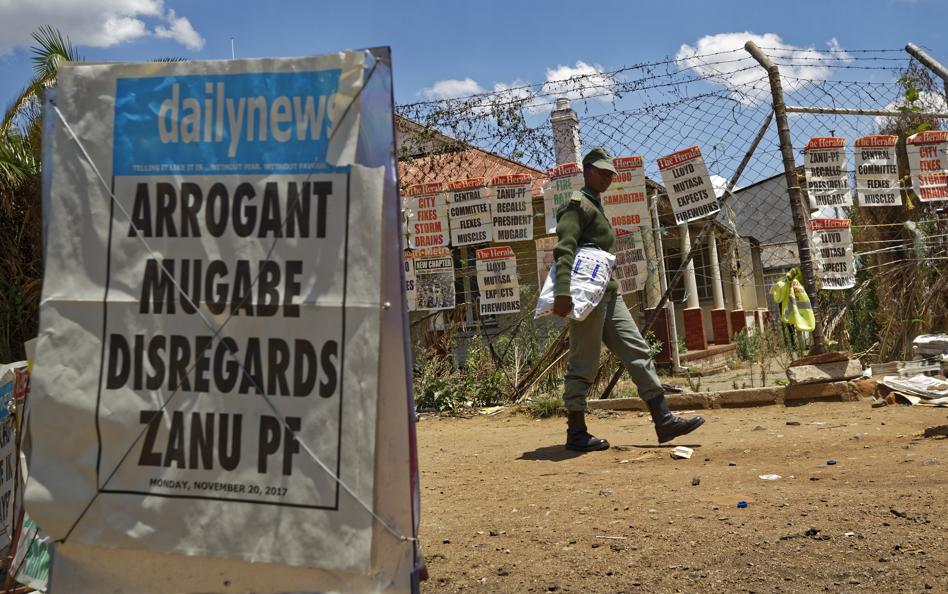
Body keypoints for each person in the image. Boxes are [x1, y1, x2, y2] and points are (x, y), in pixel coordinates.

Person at [553, 147, 705, 452]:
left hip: (608, 293)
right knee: (584, 362)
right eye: (602, 172)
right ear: (587, 171)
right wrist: (563, 293)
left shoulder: (596, 206)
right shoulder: (577, 205)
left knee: (637, 350)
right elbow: (565, 248)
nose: (608, 177)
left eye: (611, 173)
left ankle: (663, 420)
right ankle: (576, 432)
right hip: (586, 297)